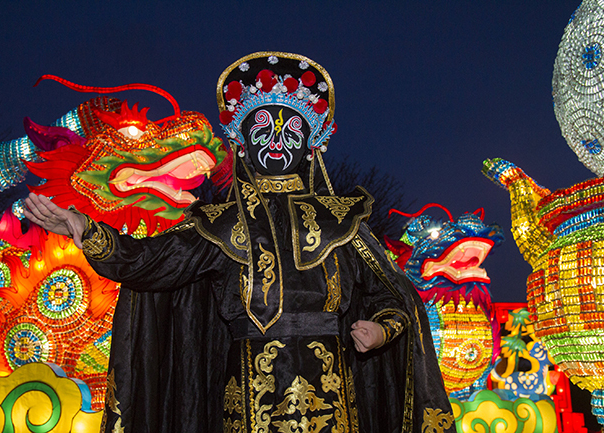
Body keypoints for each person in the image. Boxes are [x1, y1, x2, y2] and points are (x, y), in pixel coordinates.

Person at [25, 52, 455, 433]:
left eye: (290, 133)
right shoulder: (220, 223)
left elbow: (394, 294)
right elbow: (151, 262)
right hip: (248, 394)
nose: (275, 144)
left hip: (334, 395)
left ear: (312, 145)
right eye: (263, 130)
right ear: (243, 143)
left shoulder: (341, 221)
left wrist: (382, 329)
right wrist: (87, 230)